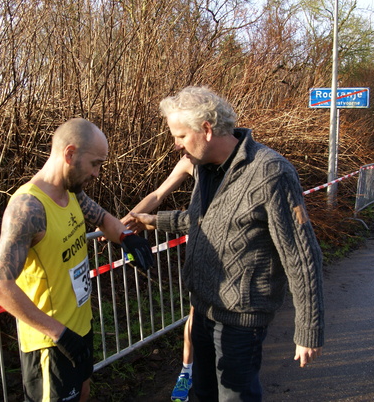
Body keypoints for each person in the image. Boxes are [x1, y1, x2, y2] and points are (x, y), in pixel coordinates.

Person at [130, 86, 325, 401]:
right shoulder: (205, 169)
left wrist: (308, 330)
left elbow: (301, 256)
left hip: (240, 321)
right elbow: (206, 222)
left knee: (235, 397)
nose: (176, 145)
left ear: (206, 130)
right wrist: (154, 221)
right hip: (203, 311)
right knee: (202, 394)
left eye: (180, 136)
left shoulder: (270, 171)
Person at [0, 118, 154, 402]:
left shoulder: (71, 194)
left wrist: (128, 238)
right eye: (95, 164)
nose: (98, 173)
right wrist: (60, 334)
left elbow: (102, 218)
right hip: (51, 343)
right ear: (70, 154)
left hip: (81, 327)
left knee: (83, 391)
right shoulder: (28, 208)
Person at [120, 155, 196, 402]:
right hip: (202, 249)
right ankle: (187, 372)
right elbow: (157, 194)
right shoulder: (190, 160)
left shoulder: (229, 158)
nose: (179, 143)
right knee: (196, 315)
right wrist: (123, 223)